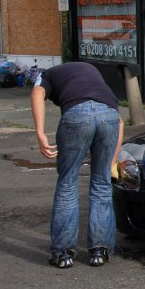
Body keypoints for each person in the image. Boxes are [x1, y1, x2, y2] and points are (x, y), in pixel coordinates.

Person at [31, 62, 124, 268]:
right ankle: (101, 251)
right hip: (110, 115)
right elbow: (120, 123)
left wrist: (39, 133)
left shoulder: (47, 74)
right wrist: (112, 161)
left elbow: (37, 93)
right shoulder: (92, 73)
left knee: (67, 183)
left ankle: (63, 253)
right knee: (102, 183)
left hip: (77, 115)